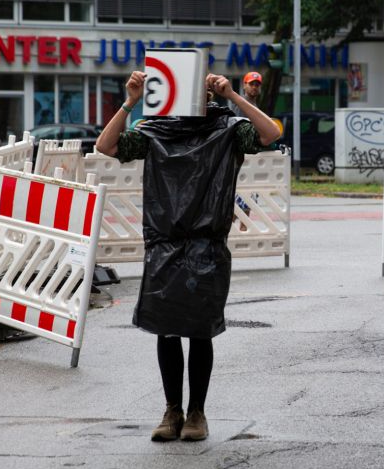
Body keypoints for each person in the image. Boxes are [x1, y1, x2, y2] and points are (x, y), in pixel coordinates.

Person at [96, 70, 282, 442]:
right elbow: (106, 146)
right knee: (166, 328)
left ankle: (197, 412)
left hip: (207, 243)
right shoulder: (156, 129)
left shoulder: (229, 128)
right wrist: (130, 101)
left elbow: (270, 134)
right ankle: (172, 411)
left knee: (199, 330)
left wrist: (234, 97)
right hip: (165, 242)